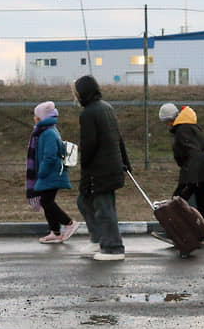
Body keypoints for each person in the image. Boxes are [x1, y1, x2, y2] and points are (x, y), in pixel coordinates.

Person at [70, 75, 131, 261]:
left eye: (76, 93)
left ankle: (113, 247)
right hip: (111, 166)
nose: (75, 96)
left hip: (100, 170)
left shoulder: (88, 113)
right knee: (84, 201)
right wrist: (125, 162)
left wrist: (85, 166)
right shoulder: (107, 107)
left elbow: (89, 144)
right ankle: (98, 239)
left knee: (104, 208)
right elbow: (118, 137)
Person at [159, 102, 204, 244]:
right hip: (202, 166)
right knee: (203, 201)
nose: (167, 126)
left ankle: (175, 232)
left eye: (166, 122)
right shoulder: (190, 127)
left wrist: (190, 175)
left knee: (177, 200)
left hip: (194, 169)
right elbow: (202, 144)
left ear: (170, 120)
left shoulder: (181, 131)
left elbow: (187, 153)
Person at [25, 101, 79, 244]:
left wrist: (41, 173)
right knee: (47, 201)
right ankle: (55, 232)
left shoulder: (47, 133)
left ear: (41, 117)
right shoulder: (47, 130)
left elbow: (49, 156)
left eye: (36, 116)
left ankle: (69, 223)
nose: (34, 118)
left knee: (47, 202)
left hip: (50, 174)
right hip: (49, 173)